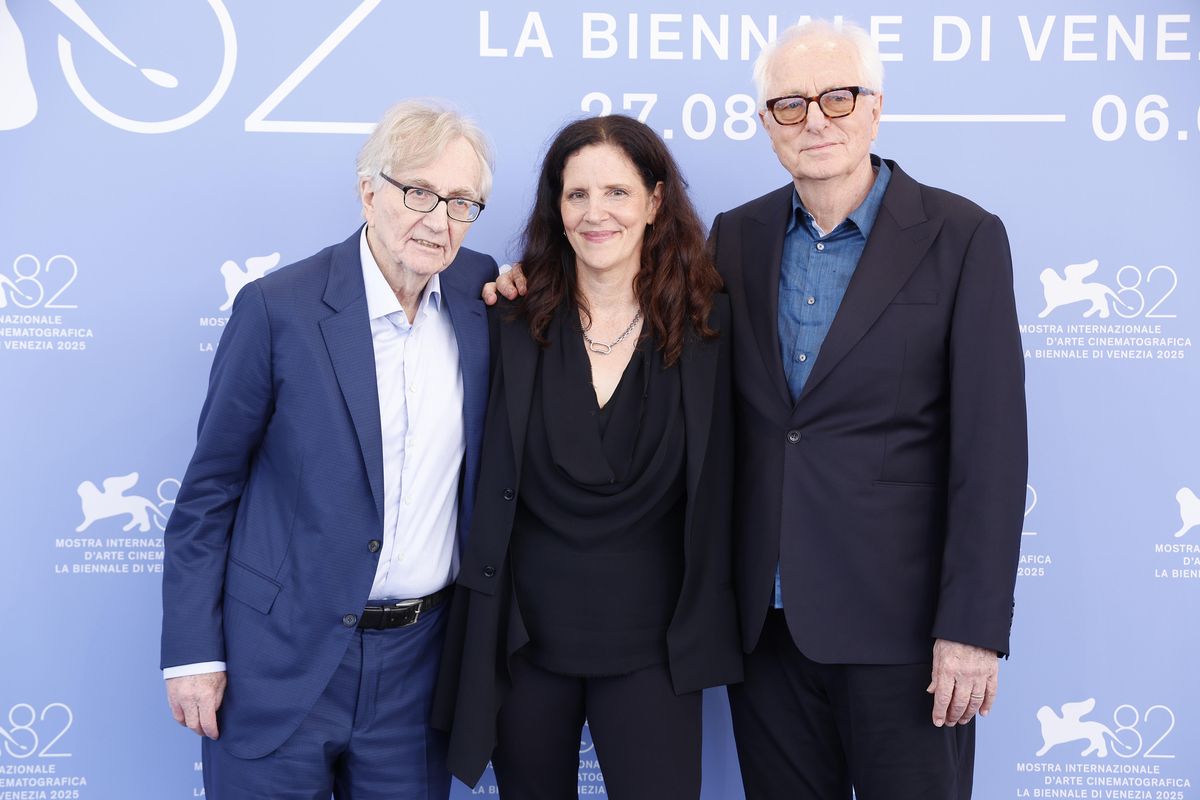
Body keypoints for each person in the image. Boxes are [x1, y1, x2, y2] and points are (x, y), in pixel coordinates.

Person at [487, 19, 1027, 800]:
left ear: (876, 108)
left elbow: (993, 451)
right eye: (789, 104)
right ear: (766, 124)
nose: (815, 120)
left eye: (837, 99)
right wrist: (521, 284)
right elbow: (626, 294)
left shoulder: (963, 236)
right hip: (762, 630)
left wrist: (972, 629)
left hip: (902, 633)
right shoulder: (738, 239)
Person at [160, 99, 497, 799]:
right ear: (369, 191)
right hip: (278, 661)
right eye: (419, 193)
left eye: (462, 203)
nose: (438, 221)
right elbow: (208, 493)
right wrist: (193, 651)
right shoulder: (277, 309)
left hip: (420, 669)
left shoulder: (482, 294)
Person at [433, 114, 742, 799]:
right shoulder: (507, 316)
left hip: (656, 651)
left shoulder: (712, 325)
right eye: (576, 195)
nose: (595, 213)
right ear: (556, 206)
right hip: (522, 646)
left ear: (656, 201)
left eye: (618, 193)